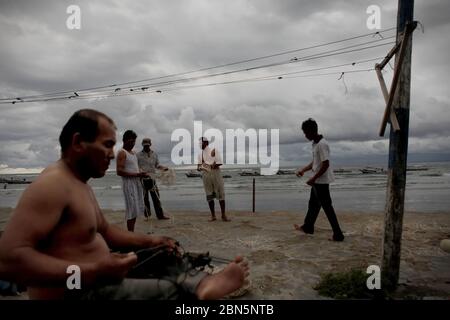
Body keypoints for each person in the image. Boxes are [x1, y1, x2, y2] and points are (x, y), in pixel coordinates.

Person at [0, 109, 248, 300]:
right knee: (173, 291)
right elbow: (8, 260)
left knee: (162, 255)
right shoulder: (52, 185)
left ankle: (199, 282)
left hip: (95, 276)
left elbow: (106, 231)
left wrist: (153, 241)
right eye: (107, 145)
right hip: (77, 290)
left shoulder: (78, 183)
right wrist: (92, 271)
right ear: (77, 142)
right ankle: (196, 288)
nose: (112, 154)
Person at [294, 118, 345, 242]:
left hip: (321, 182)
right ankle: (308, 227)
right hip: (317, 181)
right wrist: (303, 170)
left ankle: (338, 235)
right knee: (313, 205)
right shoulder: (315, 144)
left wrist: (313, 178)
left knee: (327, 207)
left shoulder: (322, 144)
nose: (305, 135)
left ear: (312, 131)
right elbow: (315, 162)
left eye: (306, 133)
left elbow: (325, 164)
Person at [116, 130, 148, 232]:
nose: (132, 144)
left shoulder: (133, 153)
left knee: (135, 209)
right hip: (128, 184)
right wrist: (137, 174)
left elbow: (135, 168)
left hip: (136, 183)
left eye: (134, 142)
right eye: (130, 141)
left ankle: (131, 232)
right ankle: (130, 234)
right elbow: (119, 171)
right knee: (131, 209)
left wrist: (141, 174)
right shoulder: (122, 153)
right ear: (124, 141)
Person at [137, 138, 170, 220]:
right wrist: (141, 172)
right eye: (145, 145)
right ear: (142, 145)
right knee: (145, 199)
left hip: (152, 179)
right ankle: (147, 216)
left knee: (156, 198)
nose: (146, 147)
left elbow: (157, 165)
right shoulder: (138, 155)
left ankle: (160, 215)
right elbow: (136, 167)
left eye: (147, 145)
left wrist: (163, 168)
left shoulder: (154, 154)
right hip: (142, 179)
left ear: (150, 144)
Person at [197, 137, 230, 222]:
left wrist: (209, 166)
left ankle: (223, 215)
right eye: (199, 143)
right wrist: (201, 167)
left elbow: (219, 162)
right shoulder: (200, 154)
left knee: (221, 194)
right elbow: (198, 167)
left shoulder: (214, 150)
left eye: (202, 142)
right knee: (209, 195)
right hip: (206, 176)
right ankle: (213, 216)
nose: (200, 144)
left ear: (206, 142)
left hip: (216, 174)